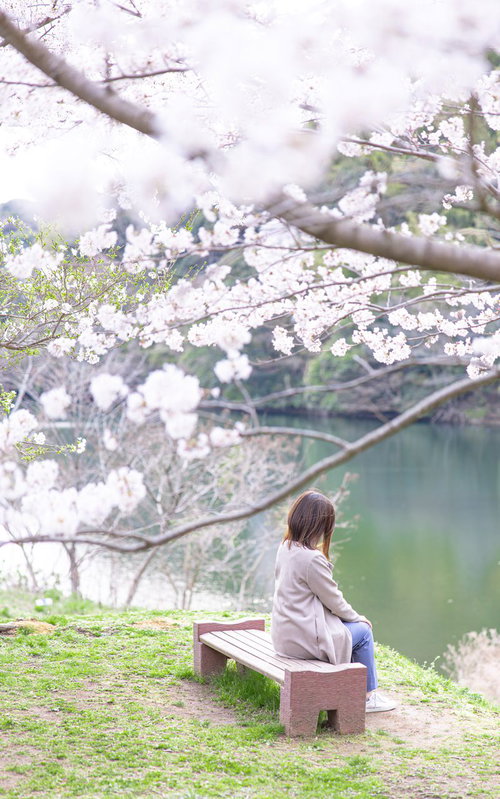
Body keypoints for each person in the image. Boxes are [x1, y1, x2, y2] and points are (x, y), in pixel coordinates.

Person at [271, 488, 396, 713]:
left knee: (347, 631)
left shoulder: (285, 547)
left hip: (284, 637)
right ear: (322, 526)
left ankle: (349, 686)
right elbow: (334, 601)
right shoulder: (311, 559)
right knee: (363, 632)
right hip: (303, 641)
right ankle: (368, 698)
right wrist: (358, 618)